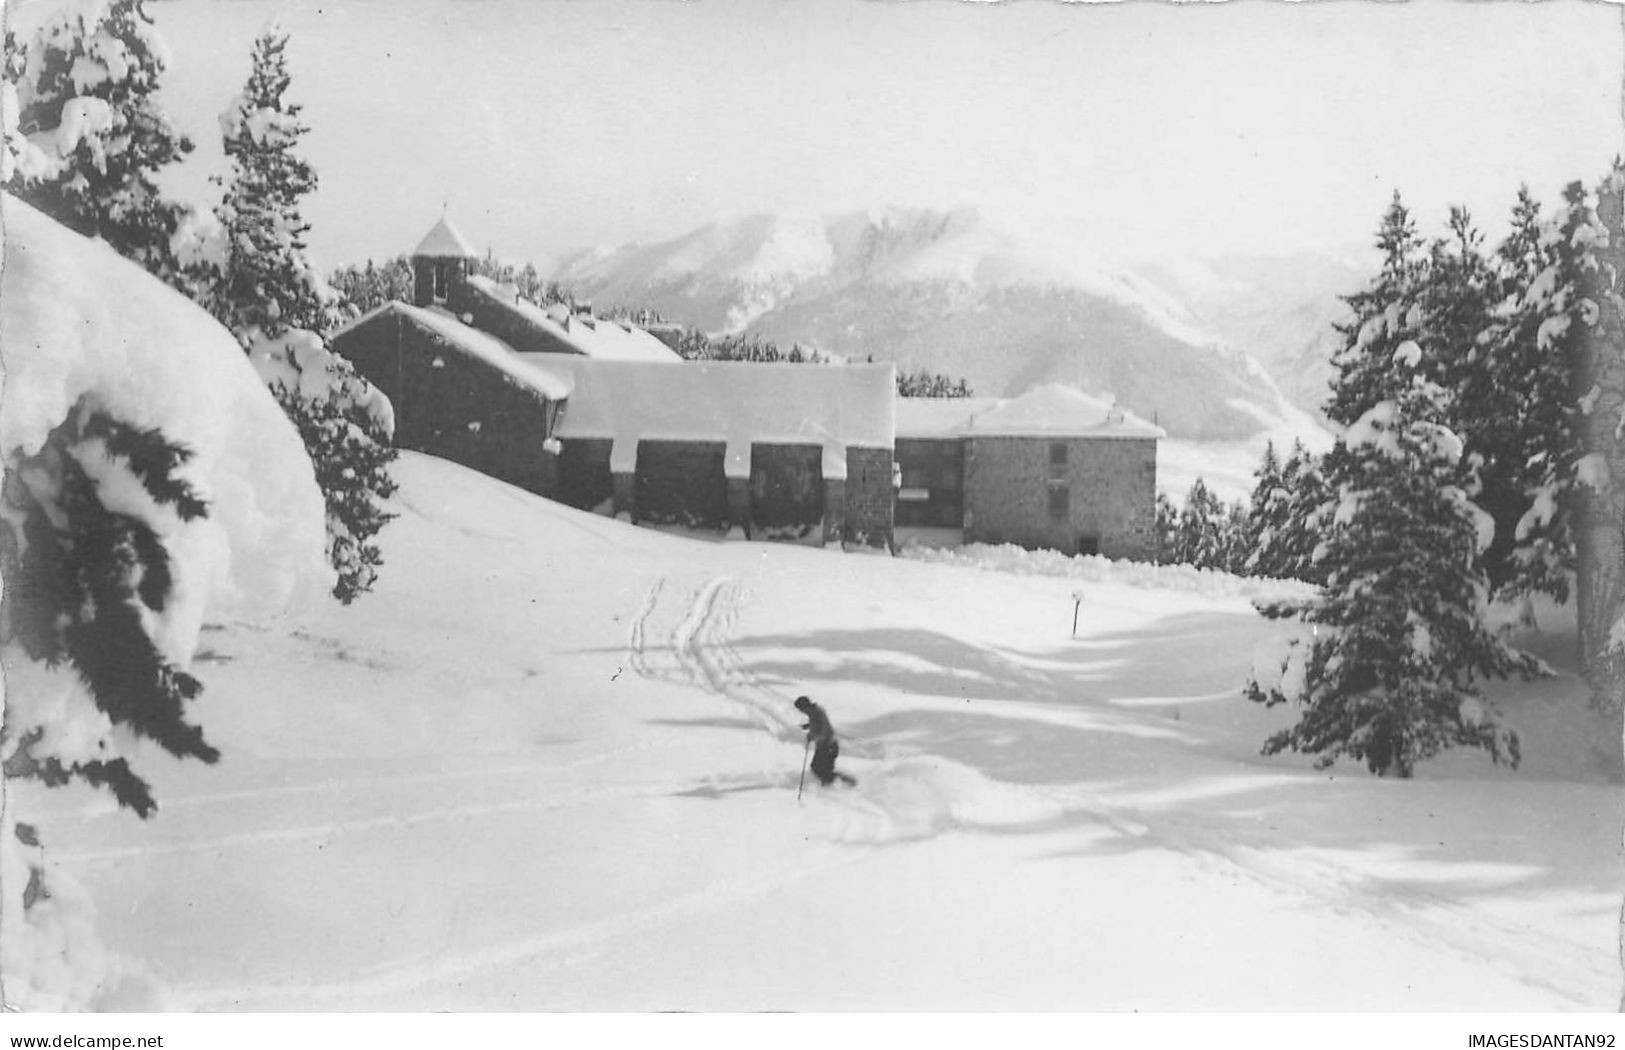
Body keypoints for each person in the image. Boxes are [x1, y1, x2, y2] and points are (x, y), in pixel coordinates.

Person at [794, 695, 849, 787]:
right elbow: (817, 724)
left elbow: (825, 732)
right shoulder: (813, 713)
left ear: (804, 707)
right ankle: (837, 785)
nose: (801, 712)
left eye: (800, 710)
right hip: (824, 746)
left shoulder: (817, 713)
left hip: (828, 746)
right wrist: (808, 726)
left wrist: (812, 737)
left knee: (822, 771)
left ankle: (845, 783)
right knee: (817, 768)